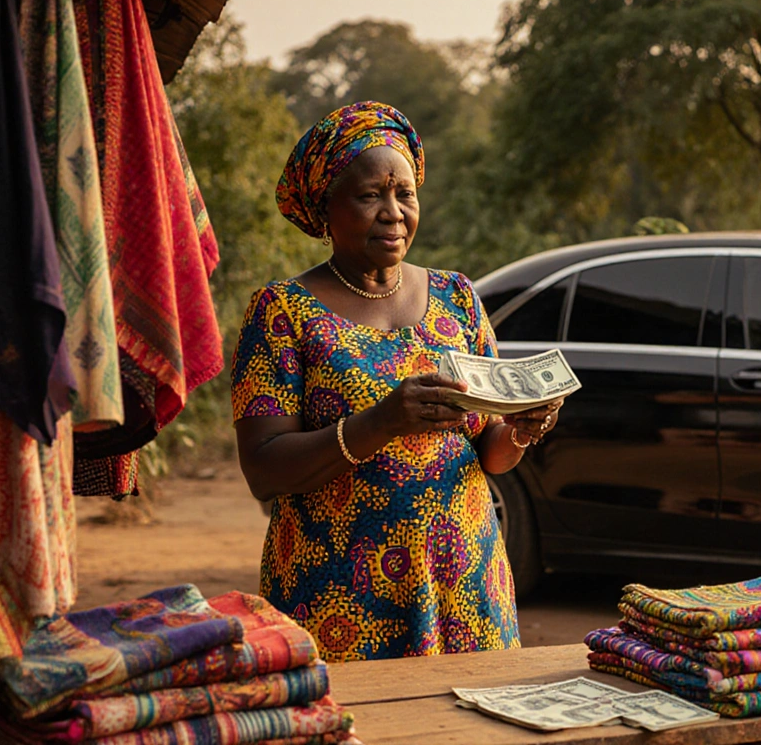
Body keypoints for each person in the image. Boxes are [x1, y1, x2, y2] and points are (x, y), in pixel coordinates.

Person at [230, 102, 561, 662]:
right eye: (369, 195)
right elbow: (264, 469)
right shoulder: (282, 310)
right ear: (325, 207)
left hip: (466, 586)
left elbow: (489, 454)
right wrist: (383, 420)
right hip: (341, 596)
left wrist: (521, 429)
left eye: (404, 193)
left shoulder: (457, 298)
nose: (392, 212)